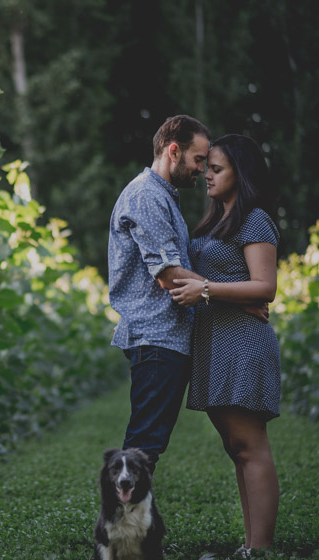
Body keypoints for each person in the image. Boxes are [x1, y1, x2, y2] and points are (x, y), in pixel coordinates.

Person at [169, 133, 281, 554]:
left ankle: (261, 548)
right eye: (207, 168)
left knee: (250, 446)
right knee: (236, 447)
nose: (206, 175)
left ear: (241, 172)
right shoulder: (217, 220)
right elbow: (225, 284)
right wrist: (220, 290)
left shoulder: (255, 220)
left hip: (242, 343)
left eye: (216, 169)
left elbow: (266, 286)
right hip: (215, 343)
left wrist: (212, 291)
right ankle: (250, 545)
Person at [106, 115, 212, 473]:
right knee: (143, 446)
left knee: (148, 444)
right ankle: (122, 527)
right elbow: (169, 276)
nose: (202, 168)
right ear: (173, 151)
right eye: (198, 159)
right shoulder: (146, 195)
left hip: (165, 337)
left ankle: (131, 526)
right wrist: (233, 296)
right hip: (156, 336)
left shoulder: (163, 196)